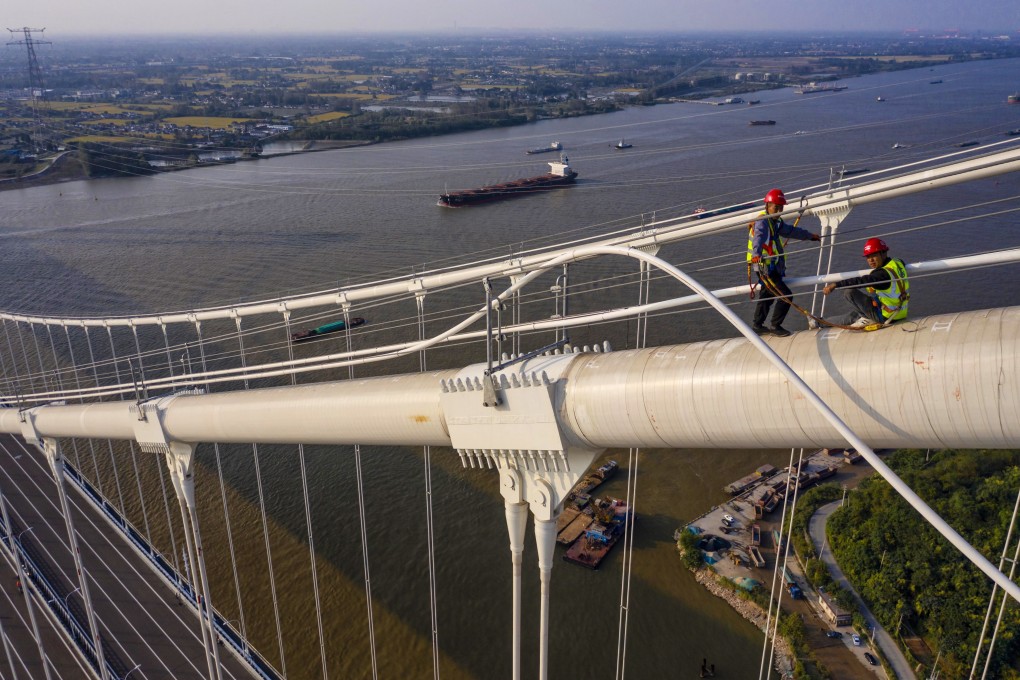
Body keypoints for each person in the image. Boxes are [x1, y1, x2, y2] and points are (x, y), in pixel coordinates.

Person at [747, 188, 821, 336]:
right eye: (776, 207)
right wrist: (756, 254)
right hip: (764, 267)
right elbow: (759, 237)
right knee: (786, 295)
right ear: (767, 206)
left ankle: (757, 325)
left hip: (769, 266)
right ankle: (775, 326)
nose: (779, 210)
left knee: (767, 296)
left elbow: (791, 231)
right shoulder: (763, 221)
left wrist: (809, 236)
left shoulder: (776, 222)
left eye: (780, 207)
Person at [822, 237, 909, 326]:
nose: (871, 260)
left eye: (874, 255)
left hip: (886, 316)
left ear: (883, 253)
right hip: (900, 312)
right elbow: (902, 264)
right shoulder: (897, 262)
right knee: (854, 315)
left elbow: (859, 281)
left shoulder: (881, 275)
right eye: (868, 257)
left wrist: (835, 284)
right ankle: (819, 322)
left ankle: (866, 317)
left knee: (849, 292)